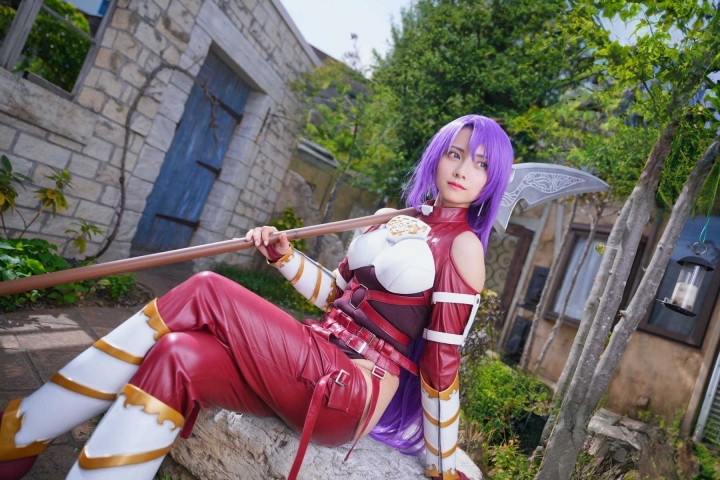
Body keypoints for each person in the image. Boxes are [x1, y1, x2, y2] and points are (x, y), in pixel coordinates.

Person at [0, 114, 513, 480]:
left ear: (492, 181)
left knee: (207, 288)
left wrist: (442, 466)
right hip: (315, 357)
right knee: (176, 355)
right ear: (437, 155)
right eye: (455, 153)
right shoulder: (392, 219)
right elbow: (334, 297)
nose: (463, 169)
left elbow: (441, 365)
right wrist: (283, 256)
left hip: (351, 388)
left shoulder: (464, 248)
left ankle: (22, 431)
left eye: (481, 164)